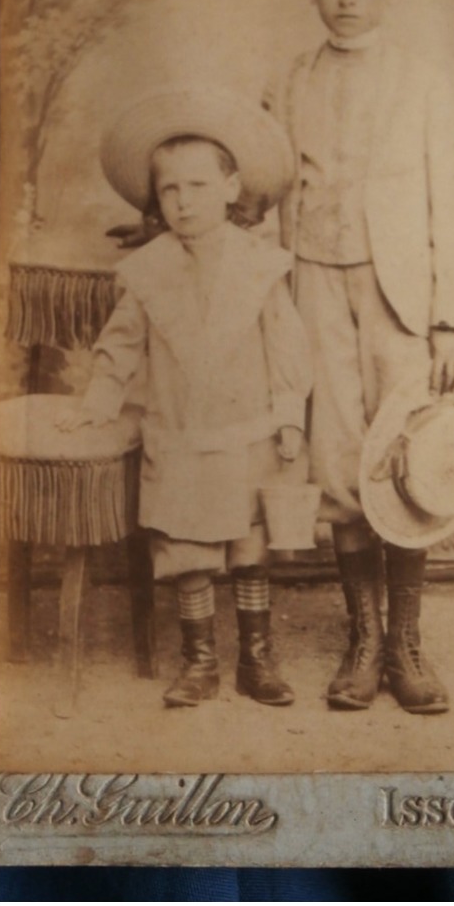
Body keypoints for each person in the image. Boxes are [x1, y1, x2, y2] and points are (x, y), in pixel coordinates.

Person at [268, 0, 454, 714]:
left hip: (399, 298)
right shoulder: (286, 81)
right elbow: (265, 192)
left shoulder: (424, 80)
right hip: (312, 286)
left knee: (406, 462)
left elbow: (449, 202)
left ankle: (407, 647)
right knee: (340, 465)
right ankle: (363, 640)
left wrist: (448, 318)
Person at [61, 87, 312, 709]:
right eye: (170, 190)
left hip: (247, 432)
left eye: (198, 186)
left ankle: (256, 658)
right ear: (157, 198)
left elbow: (287, 347)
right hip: (177, 434)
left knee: (250, 547)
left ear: (231, 188)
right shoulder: (148, 272)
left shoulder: (260, 266)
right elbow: (119, 346)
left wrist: (288, 417)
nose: (183, 201)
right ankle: (198, 661)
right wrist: (99, 397)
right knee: (186, 550)